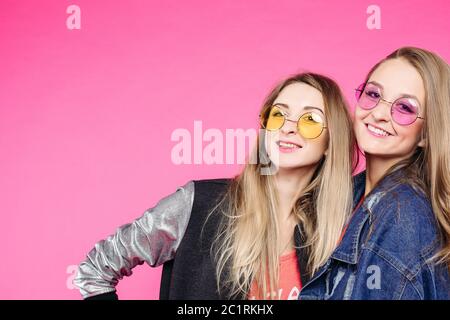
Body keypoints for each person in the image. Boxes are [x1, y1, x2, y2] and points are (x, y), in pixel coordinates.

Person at [73, 72, 356, 300]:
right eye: (278, 115)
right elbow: (95, 269)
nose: (288, 127)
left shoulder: (337, 233)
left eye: (310, 120)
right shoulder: (199, 204)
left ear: (332, 143)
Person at [299, 47, 450, 300]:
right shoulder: (352, 195)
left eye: (405, 108)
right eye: (373, 94)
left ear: (426, 133)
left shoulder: (401, 216)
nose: (379, 113)